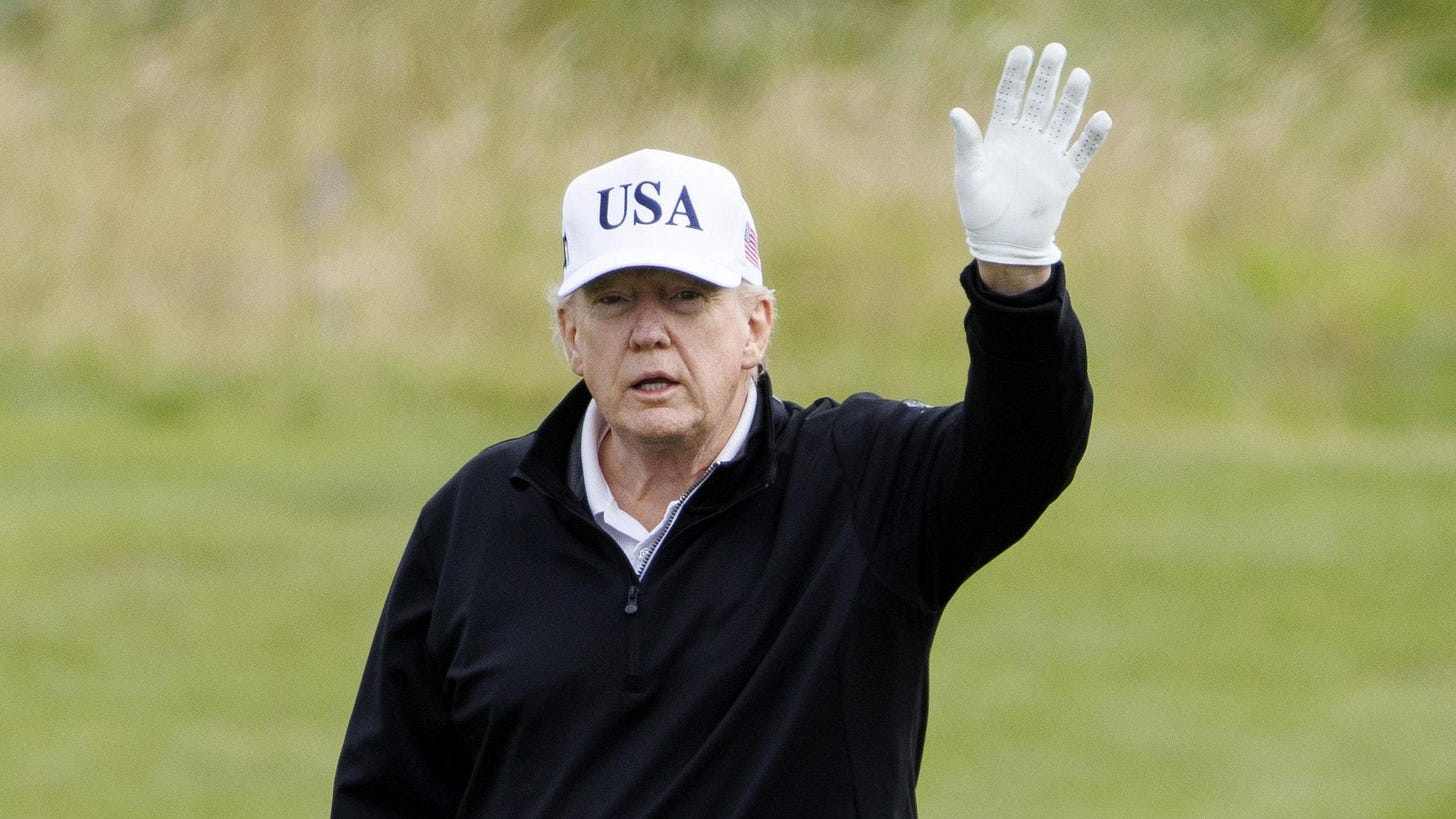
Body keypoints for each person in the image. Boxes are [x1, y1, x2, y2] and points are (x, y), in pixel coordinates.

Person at [333, 41, 1111, 818]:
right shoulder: (478, 516)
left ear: (755, 325)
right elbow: (387, 792)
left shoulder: (858, 481)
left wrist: (1018, 284)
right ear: (570, 335)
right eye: (613, 301)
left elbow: (1024, 449)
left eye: (684, 297)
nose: (648, 332)